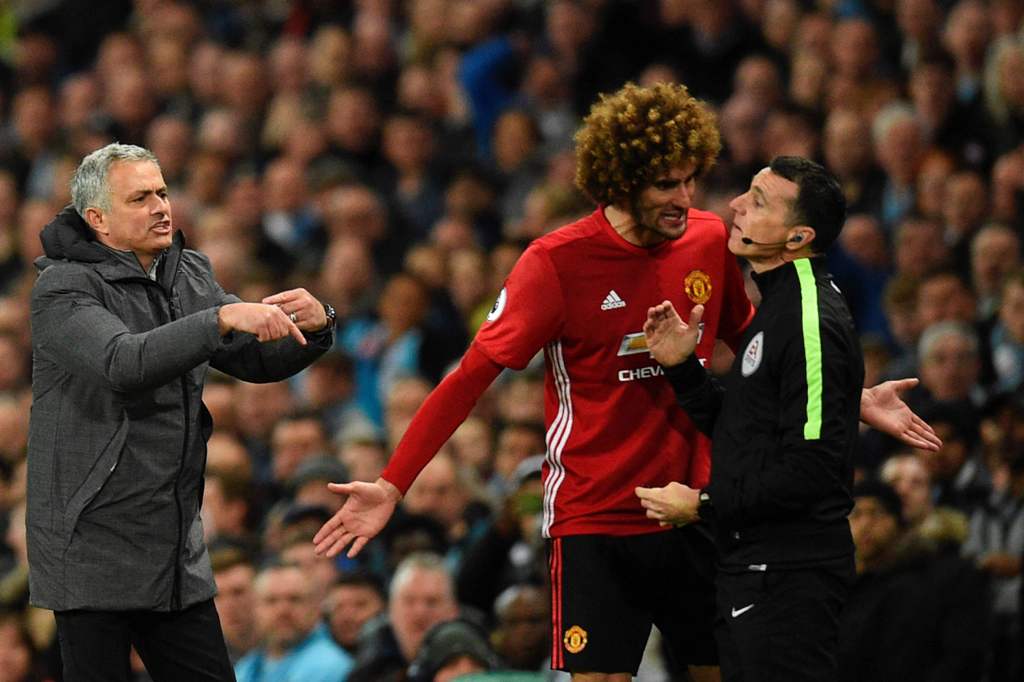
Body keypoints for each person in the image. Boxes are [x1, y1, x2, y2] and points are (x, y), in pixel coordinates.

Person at [313, 84, 939, 682]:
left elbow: (767, 364)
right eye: (668, 183)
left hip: (692, 508)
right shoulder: (555, 263)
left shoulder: (709, 239)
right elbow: (468, 380)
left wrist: (847, 401)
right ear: (620, 180)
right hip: (594, 515)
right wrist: (394, 483)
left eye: (692, 178)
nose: (687, 197)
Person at [25, 143, 336, 682]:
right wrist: (217, 318)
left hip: (173, 550)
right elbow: (123, 362)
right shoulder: (62, 288)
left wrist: (316, 326)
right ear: (97, 218)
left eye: (163, 192)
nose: (161, 207)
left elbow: (253, 360)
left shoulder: (186, 272)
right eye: (140, 198)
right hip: (91, 546)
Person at [635, 156, 869, 681]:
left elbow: (812, 470)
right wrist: (682, 369)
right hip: (753, 567)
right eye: (747, 192)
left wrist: (702, 504)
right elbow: (746, 433)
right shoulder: (778, 305)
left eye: (759, 202)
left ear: (797, 237)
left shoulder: (810, 318)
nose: (736, 205)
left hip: (789, 575)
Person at [234, 561, 354, 682]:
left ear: (316, 607)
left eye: (294, 599)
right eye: (271, 601)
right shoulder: (247, 667)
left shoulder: (329, 667)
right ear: (254, 609)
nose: (283, 610)